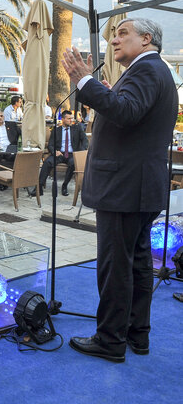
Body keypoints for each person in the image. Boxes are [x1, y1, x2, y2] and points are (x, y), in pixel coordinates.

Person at [61, 18, 176, 362]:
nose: (114, 39)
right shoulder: (154, 71)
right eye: (113, 33)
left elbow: (125, 113)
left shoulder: (146, 71)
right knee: (138, 263)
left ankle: (110, 340)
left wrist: (85, 80)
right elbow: (132, 114)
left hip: (125, 187)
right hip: (140, 186)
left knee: (115, 266)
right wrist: (108, 94)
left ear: (146, 39)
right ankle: (136, 335)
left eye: (122, 33)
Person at [37, 110, 88, 196]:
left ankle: (64, 186)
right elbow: (50, 145)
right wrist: (54, 151)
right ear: (63, 119)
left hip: (72, 154)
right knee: (47, 162)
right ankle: (39, 187)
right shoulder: (56, 130)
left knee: (73, 163)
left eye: (71, 118)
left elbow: (85, 141)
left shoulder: (77, 128)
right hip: (59, 153)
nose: (71, 120)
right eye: (68, 119)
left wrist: (80, 153)